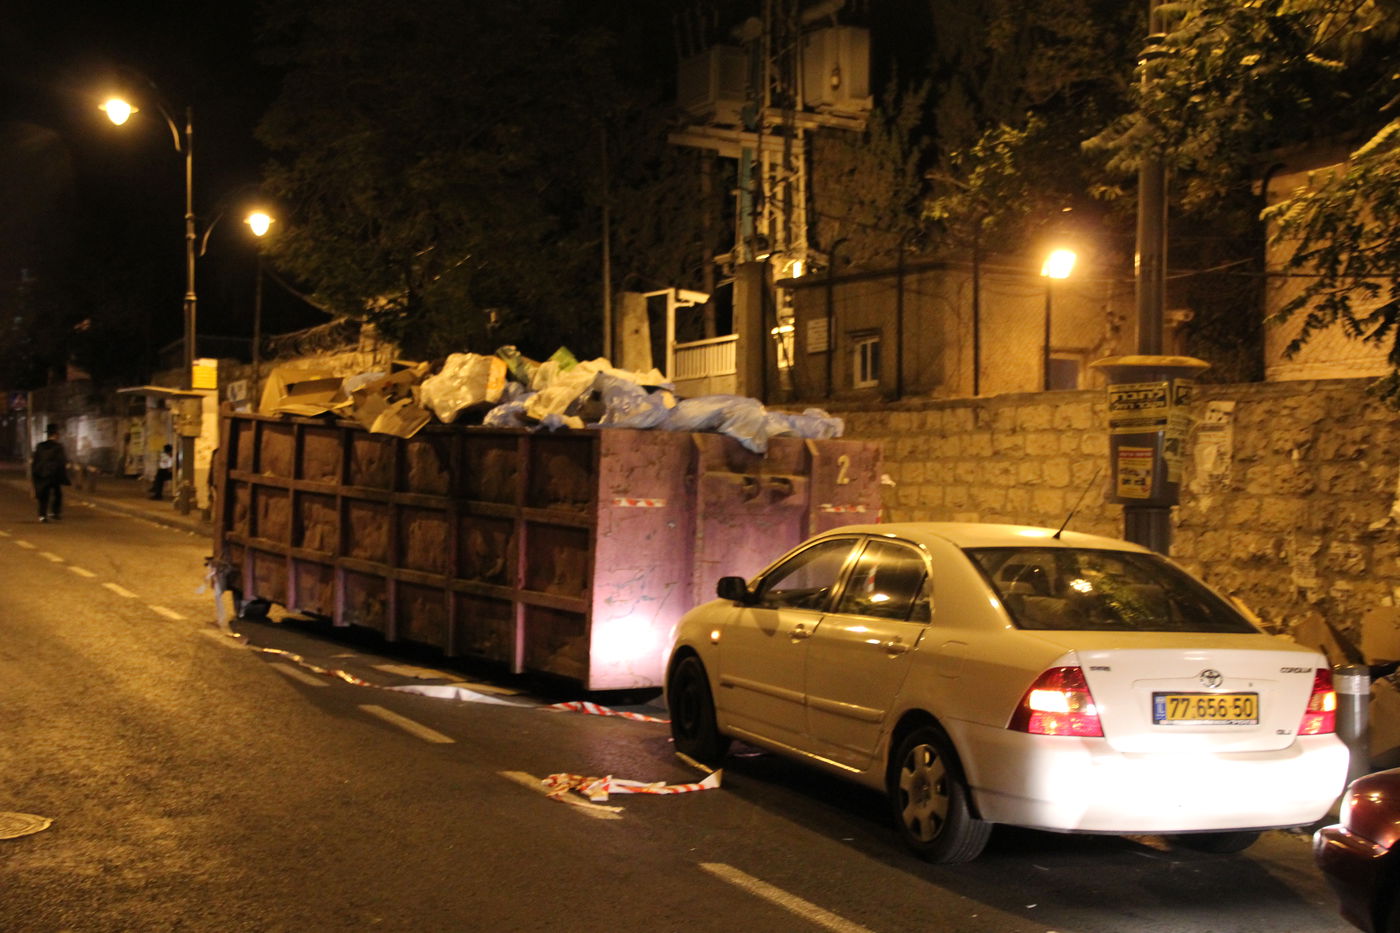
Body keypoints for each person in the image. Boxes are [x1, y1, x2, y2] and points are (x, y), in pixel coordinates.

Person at [31, 424, 69, 522]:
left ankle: (42, 515)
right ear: (56, 435)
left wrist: (35, 474)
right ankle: (55, 512)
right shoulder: (58, 447)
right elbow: (61, 461)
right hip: (53, 474)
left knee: (44, 496)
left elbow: (35, 460)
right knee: (57, 494)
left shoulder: (40, 446)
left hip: (41, 473)